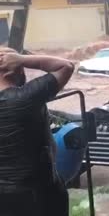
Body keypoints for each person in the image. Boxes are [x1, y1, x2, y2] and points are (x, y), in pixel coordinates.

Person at [0, 48, 75, 216]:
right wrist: (23, 59)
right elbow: (66, 66)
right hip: (37, 194)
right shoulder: (27, 97)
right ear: (15, 69)